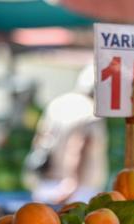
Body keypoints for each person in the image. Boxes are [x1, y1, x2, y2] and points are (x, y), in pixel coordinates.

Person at [24, 65, 108, 204]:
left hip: (48, 183)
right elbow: (78, 145)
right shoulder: (92, 111)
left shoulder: (57, 104)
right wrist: (71, 184)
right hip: (78, 190)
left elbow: (41, 139)